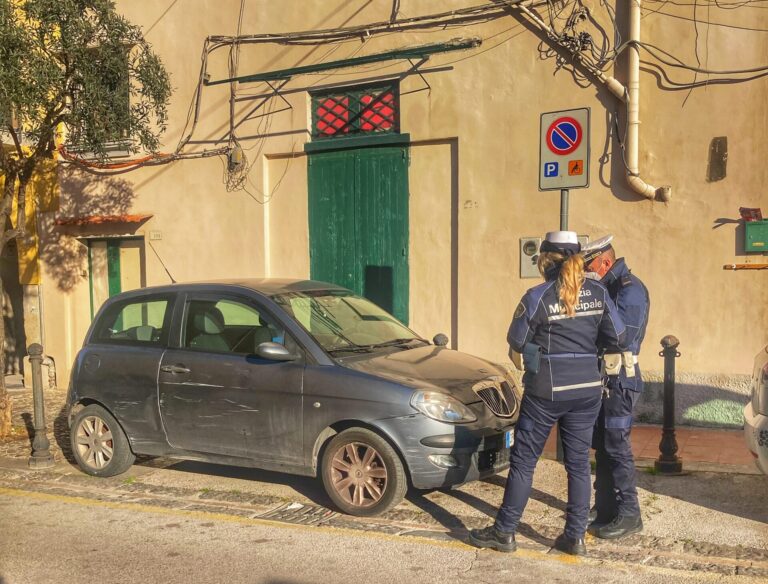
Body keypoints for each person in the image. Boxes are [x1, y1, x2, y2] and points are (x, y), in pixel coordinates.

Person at [469, 231, 627, 556]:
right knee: (579, 464)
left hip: (546, 390)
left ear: (544, 260)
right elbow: (619, 336)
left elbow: (516, 340)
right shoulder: (597, 291)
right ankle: (575, 537)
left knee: (525, 463)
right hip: (587, 390)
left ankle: (505, 532)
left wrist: (538, 350)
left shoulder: (537, 296)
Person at [582, 235, 650, 539]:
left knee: (618, 448)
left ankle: (630, 514)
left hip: (621, 381)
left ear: (605, 262)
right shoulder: (609, 287)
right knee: (605, 447)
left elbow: (621, 337)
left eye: (590, 265)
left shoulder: (629, 290)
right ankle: (606, 507)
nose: (586, 271)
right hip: (604, 380)